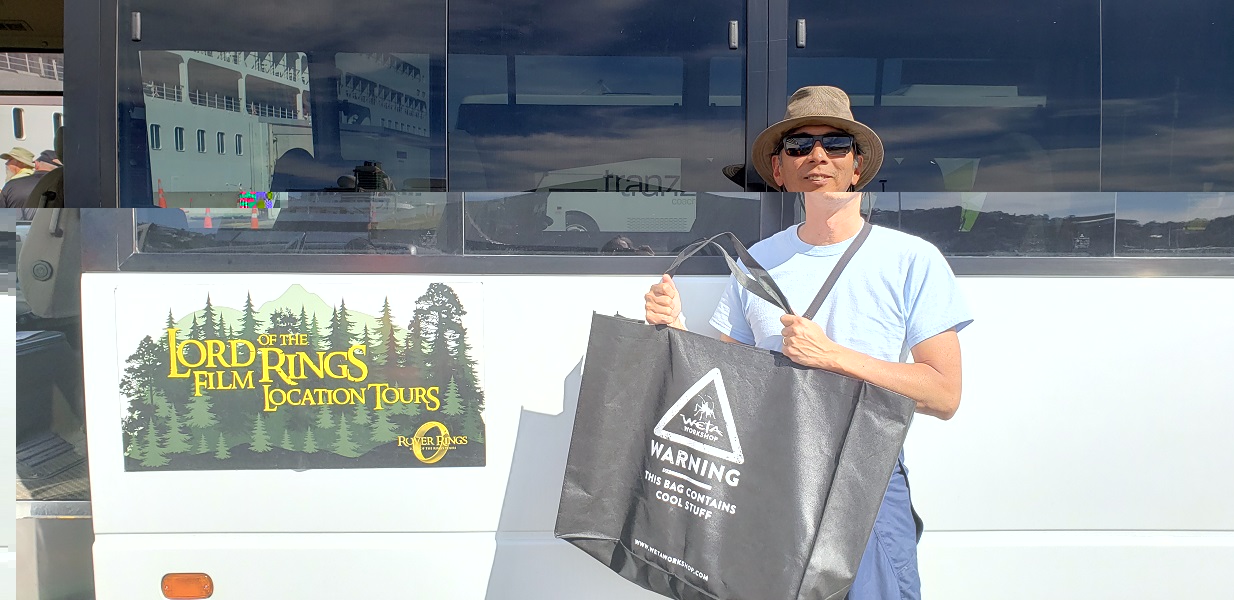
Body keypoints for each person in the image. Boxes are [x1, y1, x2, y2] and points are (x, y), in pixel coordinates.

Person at [644, 86, 973, 600]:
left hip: (863, 474)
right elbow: (728, 383)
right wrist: (676, 330)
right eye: (799, 145)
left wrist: (832, 357)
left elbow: (943, 394)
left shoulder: (912, 259)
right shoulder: (755, 261)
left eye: (835, 144)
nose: (818, 155)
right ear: (779, 170)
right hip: (769, 475)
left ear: (858, 165)